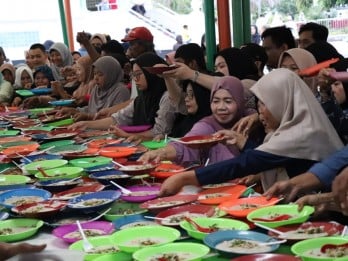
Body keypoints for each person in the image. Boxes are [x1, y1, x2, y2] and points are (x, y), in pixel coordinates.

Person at [158, 69, 343, 196]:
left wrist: (187, 178)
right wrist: (242, 142)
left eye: (265, 103)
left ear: (282, 102)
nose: (260, 111)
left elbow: (247, 163)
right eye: (258, 104)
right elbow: (270, 157)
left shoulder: (302, 133)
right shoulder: (298, 125)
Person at [68, 52, 176, 142]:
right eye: (133, 75)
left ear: (151, 74)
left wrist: (127, 135)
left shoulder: (167, 97)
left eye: (138, 74)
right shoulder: (142, 98)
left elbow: (160, 132)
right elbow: (118, 119)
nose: (135, 79)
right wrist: (86, 124)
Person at [139, 76, 248, 165]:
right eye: (216, 101)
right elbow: (186, 144)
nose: (221, 107)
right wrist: (161, 153)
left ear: (239, 101)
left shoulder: (252, 122)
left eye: (228, 101)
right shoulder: (207, 125)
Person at [58, 56, 129, 121]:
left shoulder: (121, 91)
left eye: (100, 74)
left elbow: (115, 118)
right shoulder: (97, 89)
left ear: (111, 74)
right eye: (94, 74)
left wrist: (88, 116)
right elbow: (91, 109)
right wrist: (74, 111)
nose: (96, 78)